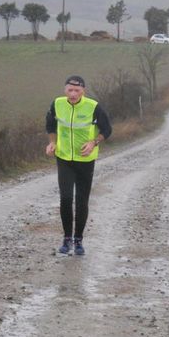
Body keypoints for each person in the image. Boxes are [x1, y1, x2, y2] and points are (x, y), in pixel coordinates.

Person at [45, 75, 112, 256]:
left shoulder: (93, 107)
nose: (73, 94)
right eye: (70, 90)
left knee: (81, 201)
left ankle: (78, 240)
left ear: (83, 91)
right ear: (64, 90)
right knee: (66, 198)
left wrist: (94, 142)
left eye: (77, 90)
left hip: (85, 160)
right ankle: (67, 239)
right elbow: (50, 125)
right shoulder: (57, 104)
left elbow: (107, 130)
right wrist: (52, 142)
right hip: (64, 158)